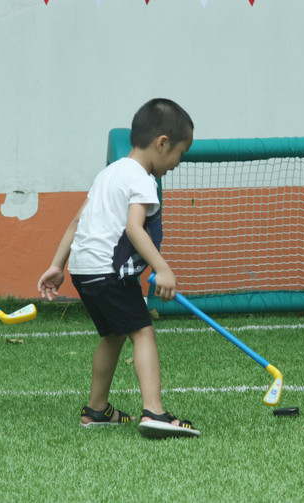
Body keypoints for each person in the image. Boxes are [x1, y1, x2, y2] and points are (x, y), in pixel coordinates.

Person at [38, 98, 200, 438]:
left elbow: (74, 223)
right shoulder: (142, 179)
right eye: (179, 155)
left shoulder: (107, 174)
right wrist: (163, 268)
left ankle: (96, 409)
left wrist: (57, 266)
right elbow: (134, 228)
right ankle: (154, 410)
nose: (176, 164)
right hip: (110, 270)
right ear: (162, 143)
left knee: (112, 335)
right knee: (142, 332)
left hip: (84, 271)